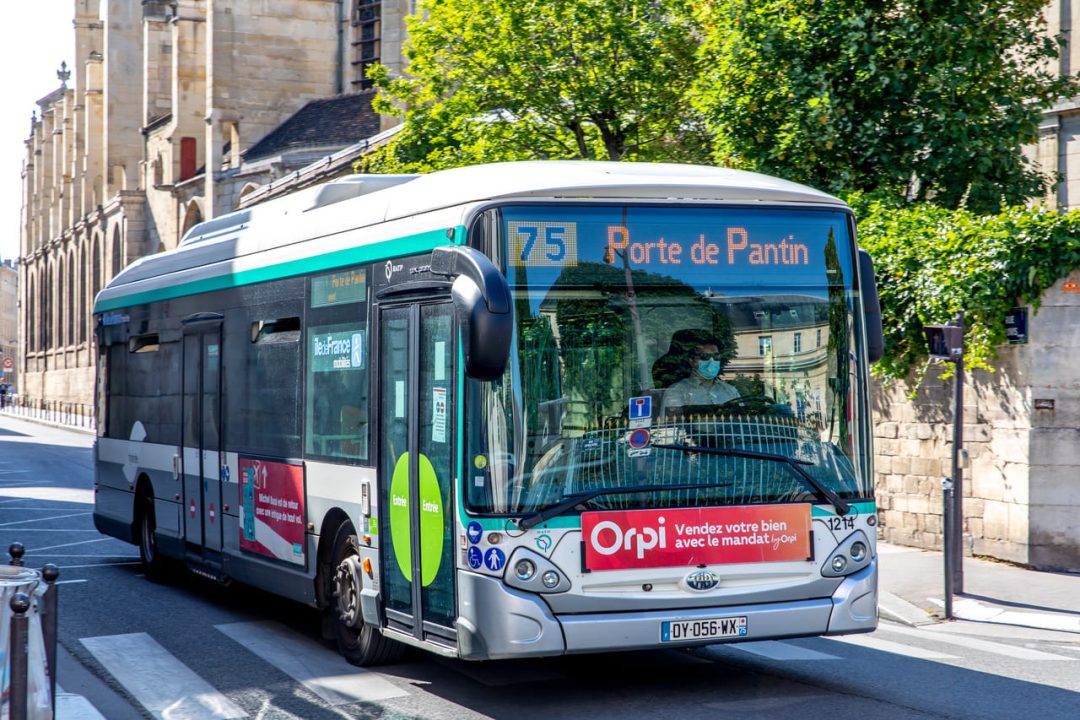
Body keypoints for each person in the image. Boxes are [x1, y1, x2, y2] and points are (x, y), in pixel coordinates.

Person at [659, 332, 739, 416]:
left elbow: (743, 419)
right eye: (705, 356)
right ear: (691, 361)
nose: (711, 361)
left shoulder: (730, 391)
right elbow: (672, 425)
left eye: (716, 357)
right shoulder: (677, 391)